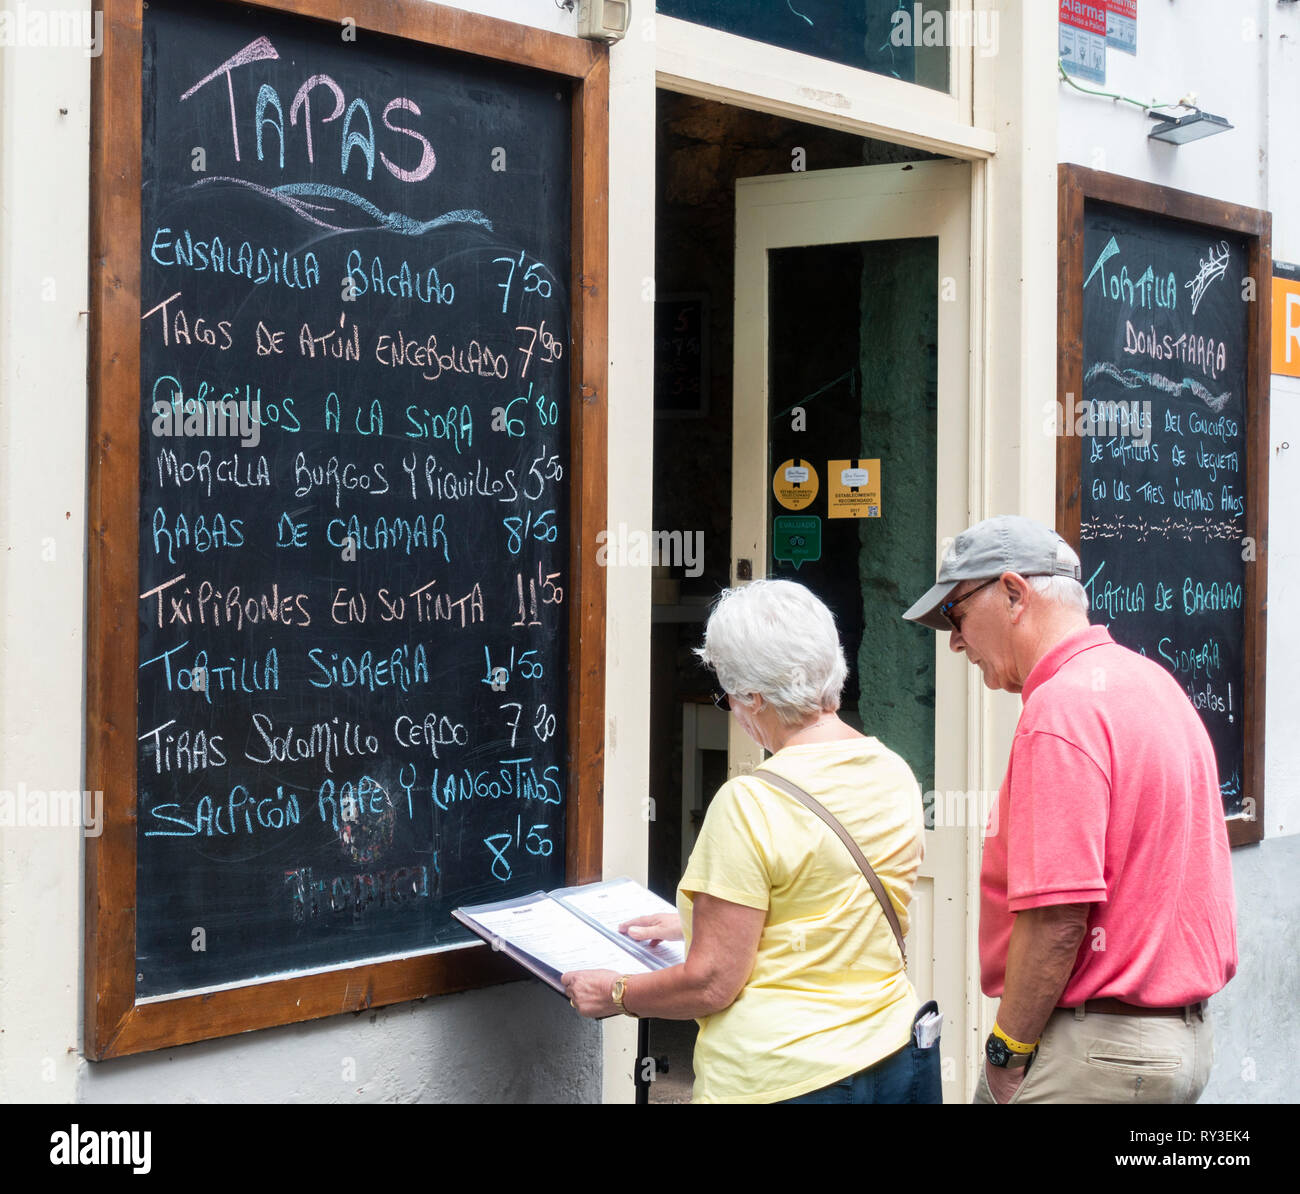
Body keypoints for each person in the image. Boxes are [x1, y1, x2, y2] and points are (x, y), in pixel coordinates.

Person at [562, 578, 940, 1104]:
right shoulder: (893, 771)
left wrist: (616, 993)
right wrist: (699, 922)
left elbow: (711, 983)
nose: (731, 710)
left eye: (726, 695)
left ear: (753, 698)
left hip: (784, 1077)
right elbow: (832, 900)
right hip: (896, 1057)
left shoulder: (751, 802)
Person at [903, 514, 1237, 1104]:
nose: (954, 641)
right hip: (1176, 1042)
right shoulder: (1155, 684)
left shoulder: (1060, 709)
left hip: (1096, 1053)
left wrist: (1007, 1053)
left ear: (1012, 593)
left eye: (954, 614)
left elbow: (1059, 919)